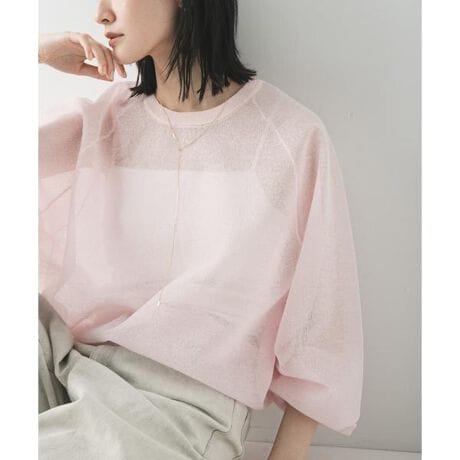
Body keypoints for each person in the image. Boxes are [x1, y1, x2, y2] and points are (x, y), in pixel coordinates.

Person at [38, 1, 364, 459]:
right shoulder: (106, 119)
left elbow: (323, 333)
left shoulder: (288, 138)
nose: (101, 14)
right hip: (68, 370)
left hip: (181, 412)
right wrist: (32, 52)